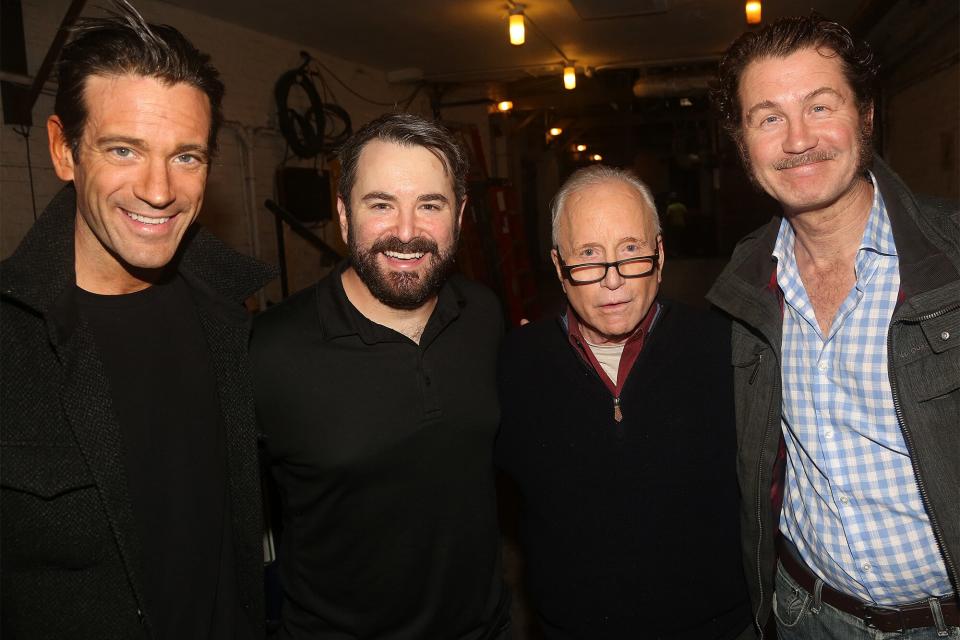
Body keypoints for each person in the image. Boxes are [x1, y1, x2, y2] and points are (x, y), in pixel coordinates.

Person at [0, 3, 274, 638]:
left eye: (187, 157)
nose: (159, 189)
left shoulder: (232, 317)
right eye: (124, 149)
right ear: (63, 150)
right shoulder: (10, 339)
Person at [708, 14, 960, 640]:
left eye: (821, 106)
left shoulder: (952, 258)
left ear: (866, 116)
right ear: (742, 143)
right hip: (803, 613)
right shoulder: (743, 284)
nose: (798, 140)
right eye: (768, 117)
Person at [250, 113, 511, 639]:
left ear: (459, 215)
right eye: (381, 204)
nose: (408, 232)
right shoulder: (269, 350)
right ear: (344, 216)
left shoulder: (483, 315)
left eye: (430, 205)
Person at [495, 165, 754, 639]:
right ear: (559, 267)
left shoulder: (728, 350)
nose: (612, 280)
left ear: (659, 254)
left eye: (631, 251)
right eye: (589, 256)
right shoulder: (513, 365)